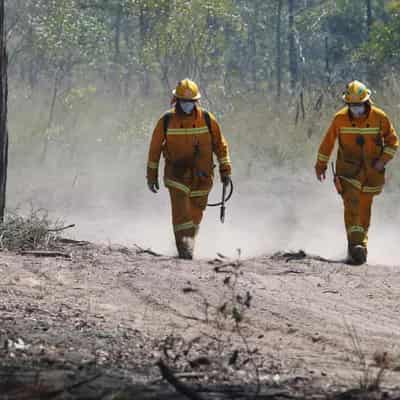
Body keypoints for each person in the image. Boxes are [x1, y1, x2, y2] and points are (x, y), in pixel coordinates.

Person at [147, 79, 232, 259]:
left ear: (196, 101)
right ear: (176, 100)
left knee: (195, 213)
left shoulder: (208, 119)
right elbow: (155, 148)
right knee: (180, 210)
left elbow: (220, 145)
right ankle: (184, 248)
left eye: (190, 102)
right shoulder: (166, 120)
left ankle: (189, 242)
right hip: (175, 174)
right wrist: (151, 174)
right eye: (183, 101)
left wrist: (226, 168)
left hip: (202, 176)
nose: (187, 105)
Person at [315, 80, 398, 265]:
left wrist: (382, 161)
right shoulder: (340, 118)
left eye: (359, 105)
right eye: (352, 105)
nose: (356, 109)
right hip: (348, 171)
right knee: (352, 204)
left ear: (367, 102)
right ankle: (355, 246)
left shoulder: (380, 117)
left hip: (372, 175)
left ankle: (360, 246)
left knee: (364, 210)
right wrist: (321, 164)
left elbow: (393, 142)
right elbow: (328, 143)